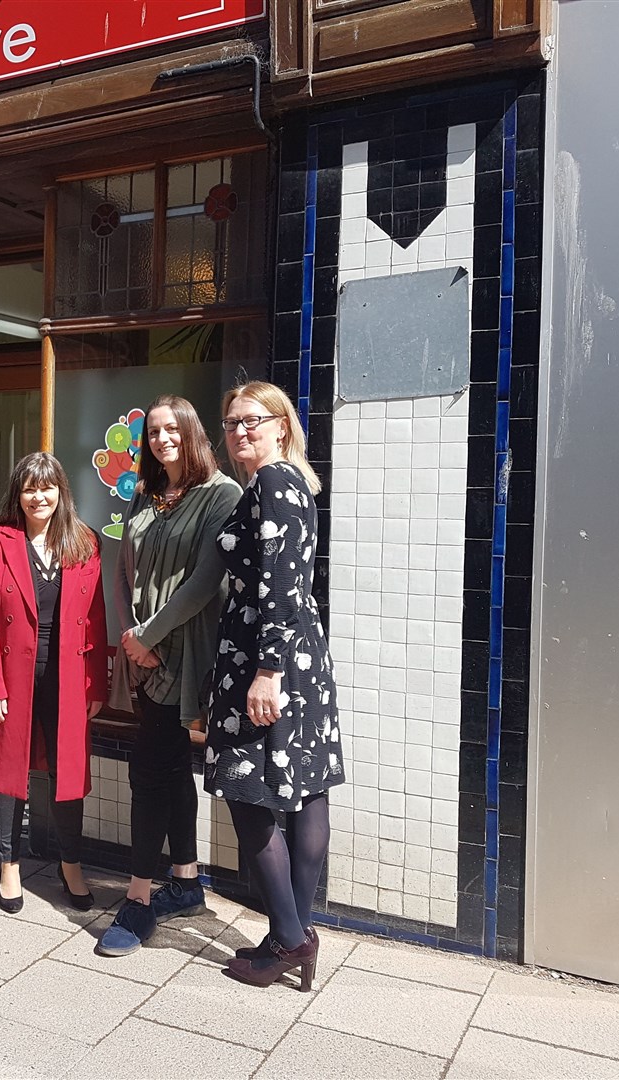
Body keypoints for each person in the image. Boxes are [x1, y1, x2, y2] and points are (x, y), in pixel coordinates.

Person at [205, 381, 343, 991]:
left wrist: (267, 671)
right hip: (295, 659)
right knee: (305, 791)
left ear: (281, 425)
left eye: (252, 421)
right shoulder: (295, 485)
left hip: (269, 660)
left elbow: (282, 585)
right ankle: (295, 931)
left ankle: (290, 938)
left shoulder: (273, 483)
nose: (239, 431)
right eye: (231, 421)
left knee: (249, 792)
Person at [96, 395, 241, 957]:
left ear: (191, 432)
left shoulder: (220, 496)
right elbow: (125, 569)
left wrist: (147, 637)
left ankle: (136, 901)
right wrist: (132, 637)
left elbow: (206, 582)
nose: (161, 439)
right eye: (153, 432)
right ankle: (184, 880)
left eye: (170, 429)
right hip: (144, 653)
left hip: (187, 654)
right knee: (173, 767)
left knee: (149, 773)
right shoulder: (145, 495)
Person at [0, 452, 109, 914]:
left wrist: (97, 686)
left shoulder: (84, 541)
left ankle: (71, 866)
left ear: (60, 491)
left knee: (67, 771)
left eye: (46, 487)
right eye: (29, 488)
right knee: (10, 770)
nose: (38, 496)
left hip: (68, 677)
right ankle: (9, 864)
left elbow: (96, 617)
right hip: (12, 675)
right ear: (18, 495)